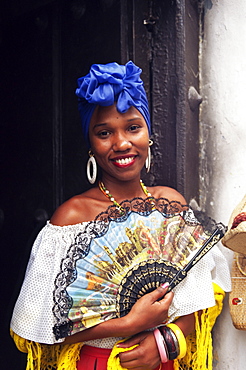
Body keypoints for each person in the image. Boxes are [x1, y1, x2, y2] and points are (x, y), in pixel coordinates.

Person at [10, 61, 231, 370]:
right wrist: (128, 324)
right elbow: (45, 323)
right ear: (91, 146)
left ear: (148, 134)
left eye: (132, 127)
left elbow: (199, 298)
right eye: (104, 133)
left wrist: (165, 343)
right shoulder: (72, 217)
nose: (122, 143)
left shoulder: (171, 204)